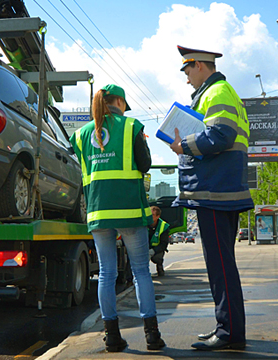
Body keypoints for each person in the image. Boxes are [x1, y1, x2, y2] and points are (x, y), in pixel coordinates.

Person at [69, 84, 165, 352]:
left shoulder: (81, 134)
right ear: (120, 102)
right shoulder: (132, 127)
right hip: (130, 210)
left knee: (107, 274)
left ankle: (111, 337)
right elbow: (144, 165)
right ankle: (152, 336)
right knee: (141, 272)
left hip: (99, 211)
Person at [170, 45, 253, 351]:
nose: (187, 78)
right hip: (220, 190)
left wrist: (184, 146)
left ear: (200, 66)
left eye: (187, 71)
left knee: (220, 266)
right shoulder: (220, 92)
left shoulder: (216, 93)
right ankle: (228, 326)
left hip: (216, 192)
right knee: (221, 265)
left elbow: (220, 136)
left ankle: (229, 331)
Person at [148, 206, 170, 277]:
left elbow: (164, 244)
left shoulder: (164, 226)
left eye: (152, 215)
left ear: (158, 216)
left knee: (157, 258)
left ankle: (160, 267)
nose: (150, 217)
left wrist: (153, 251)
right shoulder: (144, 224)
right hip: (145, 247)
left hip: (157, 249)